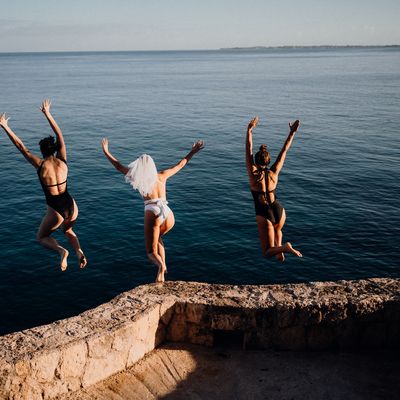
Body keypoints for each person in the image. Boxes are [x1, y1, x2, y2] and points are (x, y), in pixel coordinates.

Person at [102, 137, 204, 282]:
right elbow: (180, 165)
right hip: (168, 212)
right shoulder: (162, 176)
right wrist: (192, 151)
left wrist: (106, 151)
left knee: (150, 252)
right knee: (158, 239)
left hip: (153, 211)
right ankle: (164, 269)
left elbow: (118, 166)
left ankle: (161, 267)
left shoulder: (137, 177)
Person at [0, 100, 87, 271]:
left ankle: (62, 251)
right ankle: (78, 251)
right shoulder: (62, 160)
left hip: (55, 209)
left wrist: (4, 126)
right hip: (71, 204)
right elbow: (59, 134)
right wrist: (47, 113)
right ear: (54, 148)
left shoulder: (40, 165)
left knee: (41, 237)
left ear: (42, 151)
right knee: (68, 231)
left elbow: (21, 147)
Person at [246, 116, 302, 261]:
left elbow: (248, 150)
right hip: (279, 210)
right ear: (269, 161)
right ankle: (280, 247)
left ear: (256, 161)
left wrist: (249, 130)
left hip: (264, 213)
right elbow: (284, 151)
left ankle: (284, 248)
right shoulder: (274, 172)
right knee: (278, 229)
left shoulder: (253, 174)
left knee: (266, 252)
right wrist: (292, 133)